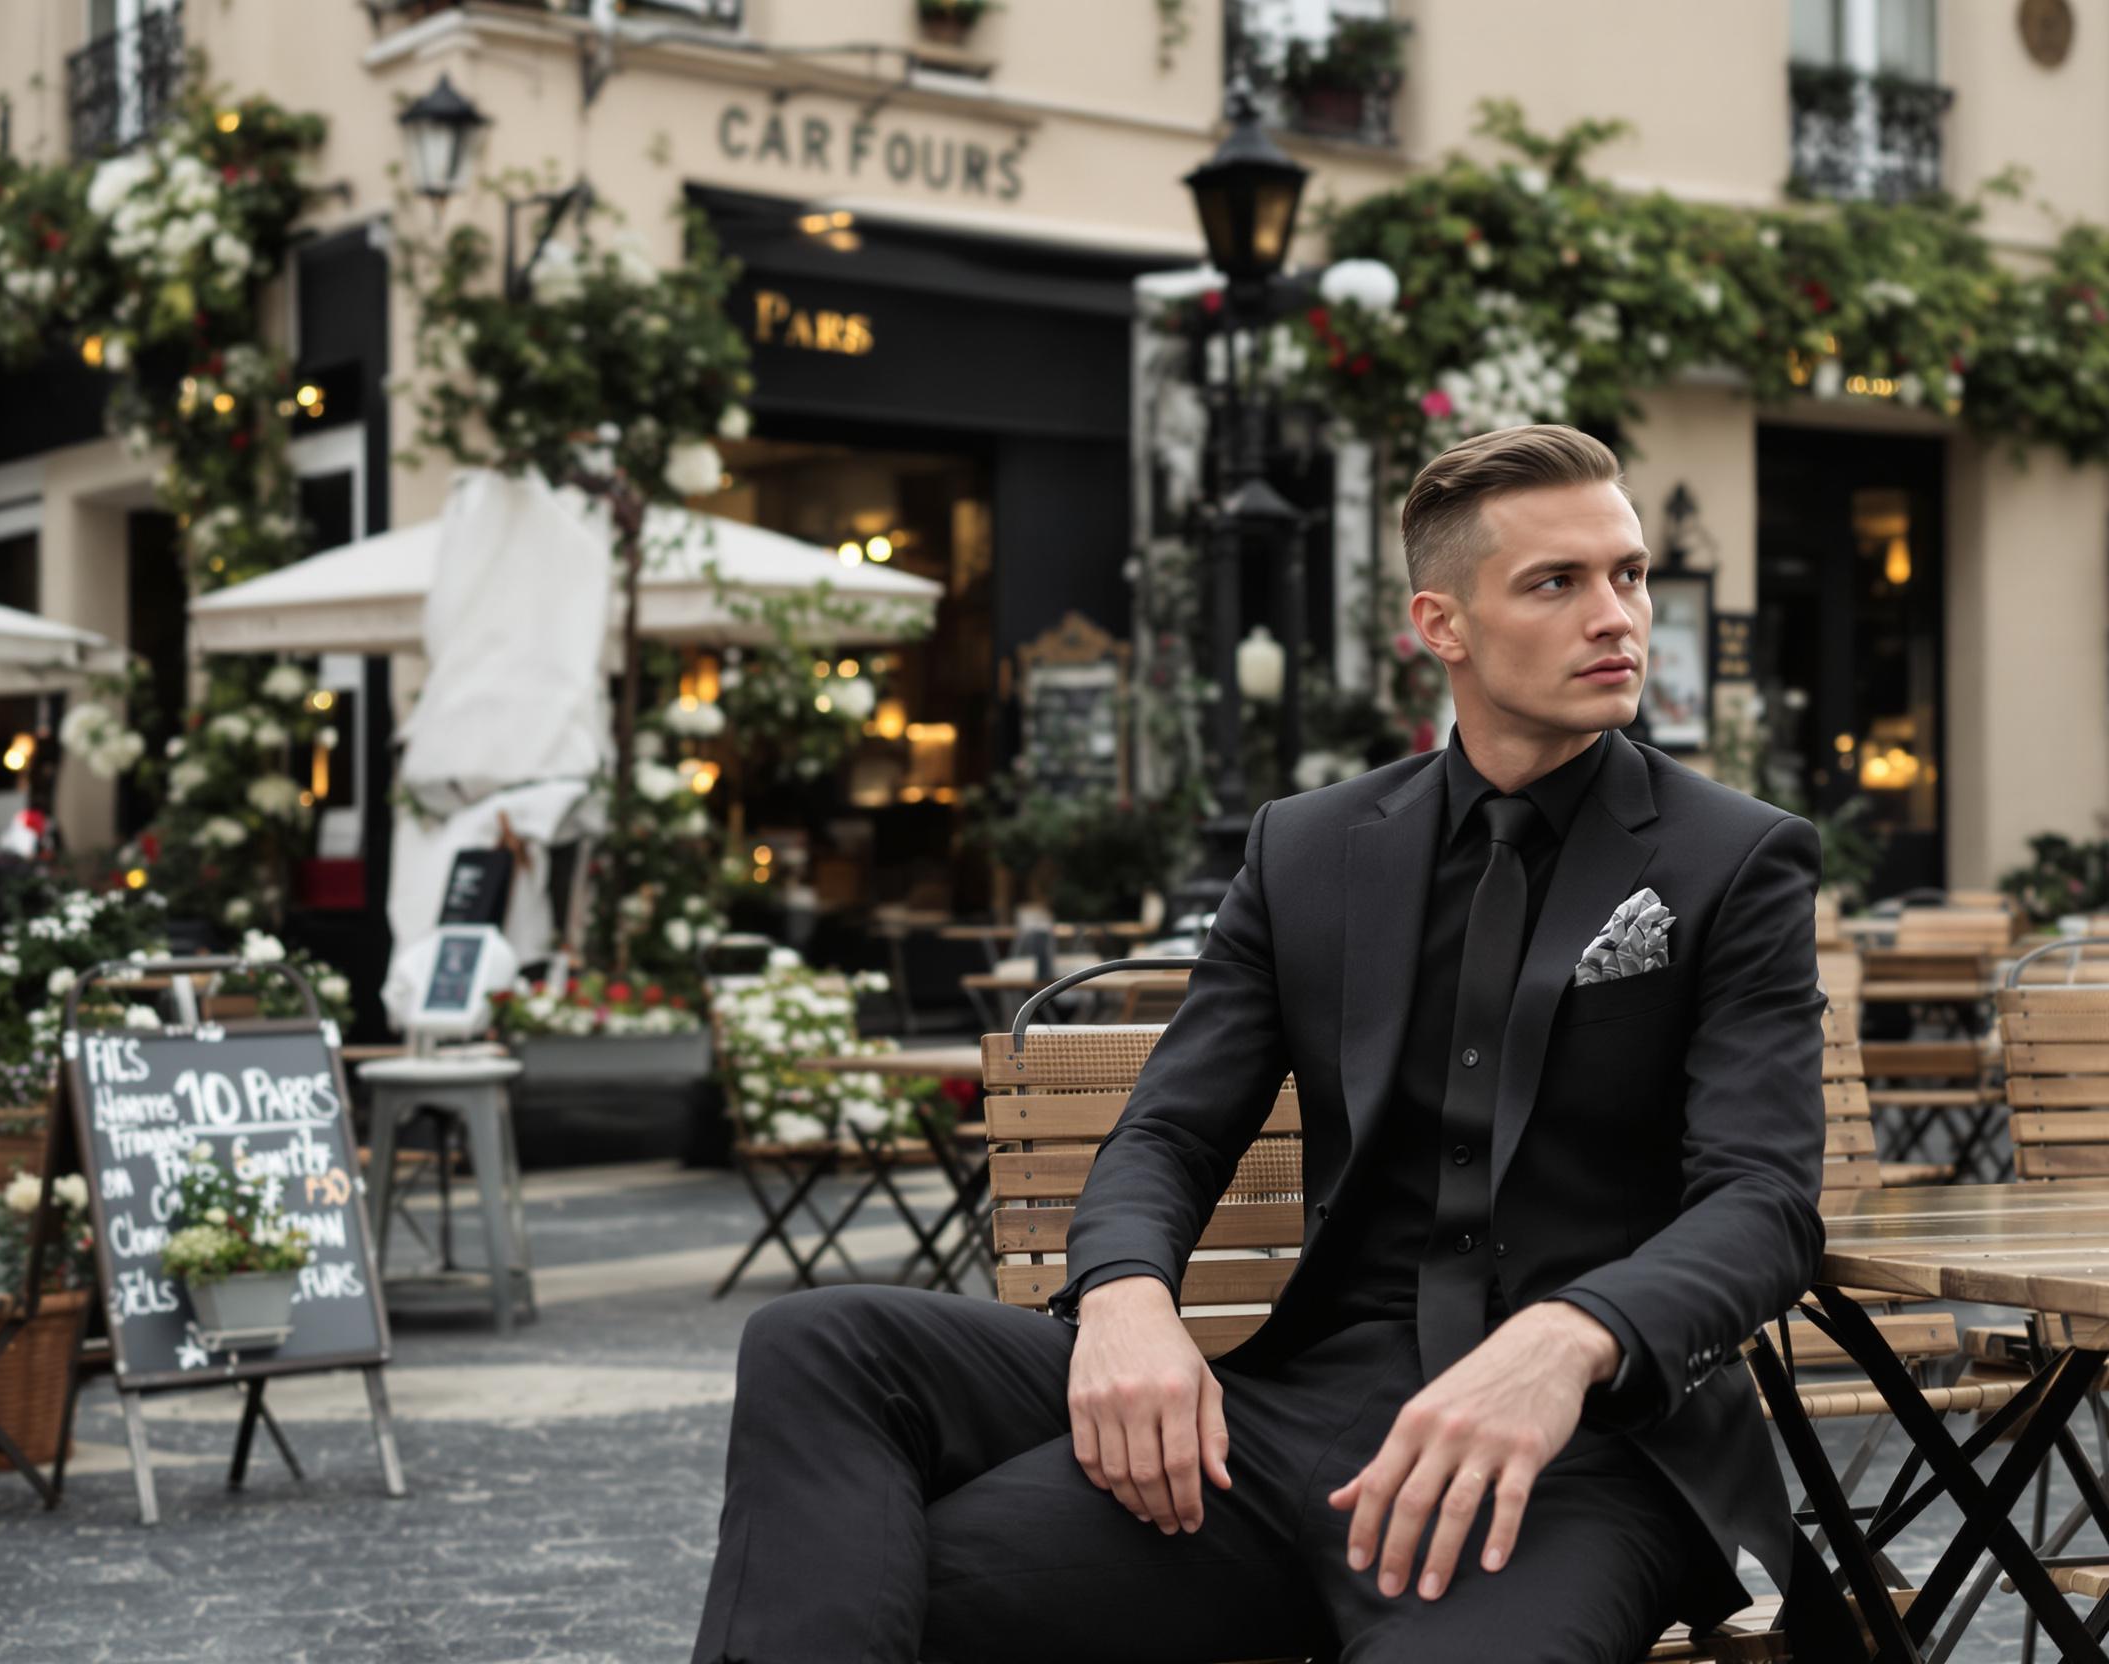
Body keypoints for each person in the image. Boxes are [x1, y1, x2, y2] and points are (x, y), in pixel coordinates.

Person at [689, 425, 1827, 1663]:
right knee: (823, 1356)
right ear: (1441, 625)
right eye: (1557, 582)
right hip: (1276, 1424)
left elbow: (1762, 1198)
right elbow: (1173, 1125)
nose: (1617, 615)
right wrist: (1125, 1300)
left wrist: (1563, 1341)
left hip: (1573, 1456)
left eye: (1630, 572)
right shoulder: (1312, 848)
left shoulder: (1734, 857)